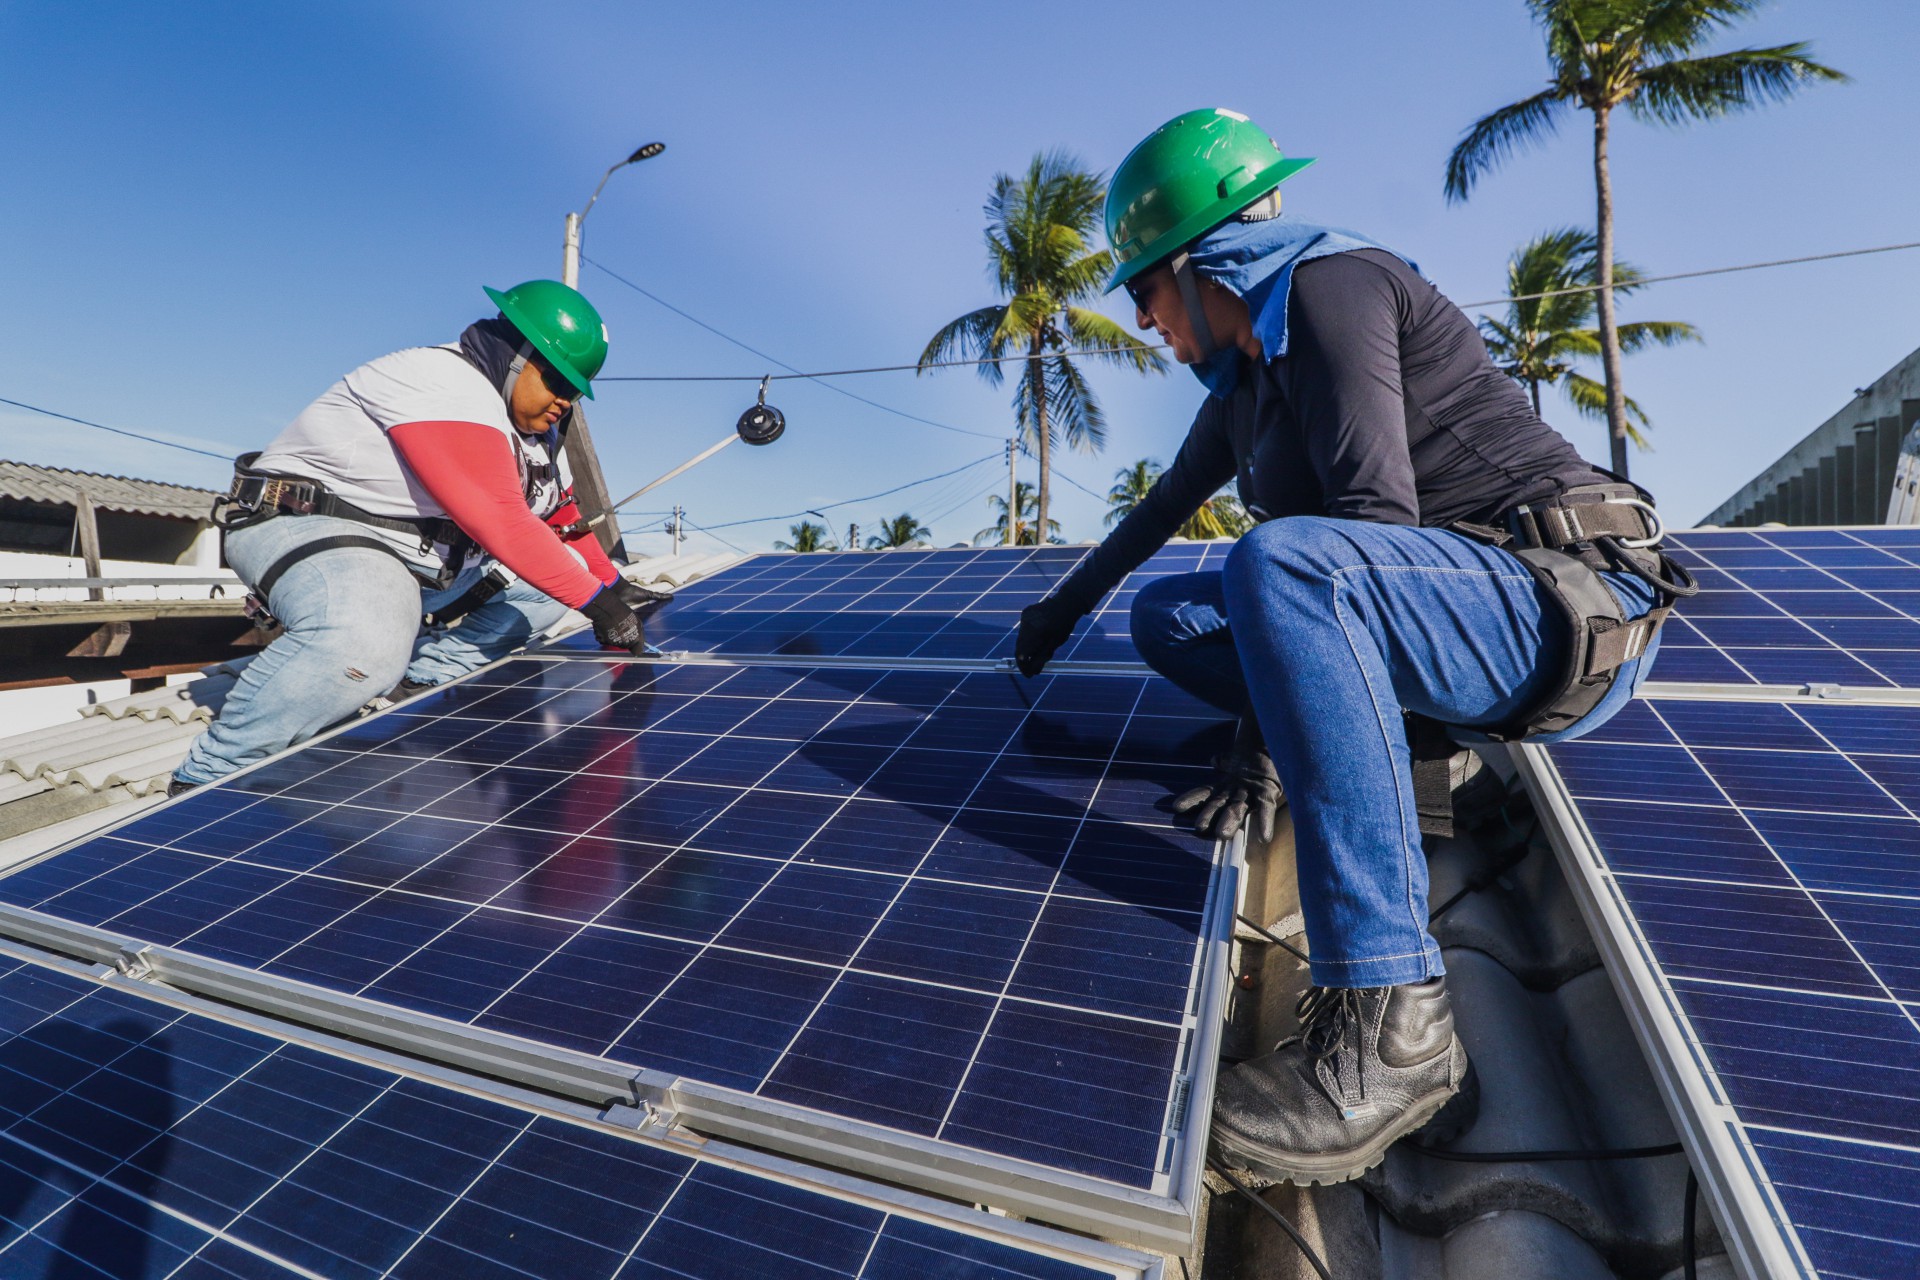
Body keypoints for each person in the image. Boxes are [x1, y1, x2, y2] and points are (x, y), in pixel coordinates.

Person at [1012, 109, 1692, 1184]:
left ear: (1203, 263)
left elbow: (1369, 533)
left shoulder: (1338, 288)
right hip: (1445, 613)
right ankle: (1406, 736)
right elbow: (1153, 519)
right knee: (1172, 614)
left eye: (1143, 289)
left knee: (1282, 565)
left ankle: (1392, 1029)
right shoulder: (1244, 389)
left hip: (1568, 604)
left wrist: (1266, 740)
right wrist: (1057, 612)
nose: (1143, 322)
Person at [170, 280, 655, 793]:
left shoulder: (539, 434)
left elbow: (561, 518)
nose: (565, 400)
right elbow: (501, 518)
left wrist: (612, 586)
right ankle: (210, 778)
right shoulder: (442, 381)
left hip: (423, 565)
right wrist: (600, 608)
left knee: (552, 590)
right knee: (368, 636)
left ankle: (423, 680)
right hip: (312, 529)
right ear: (517, 353)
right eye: (557, 380)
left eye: (576, 391)